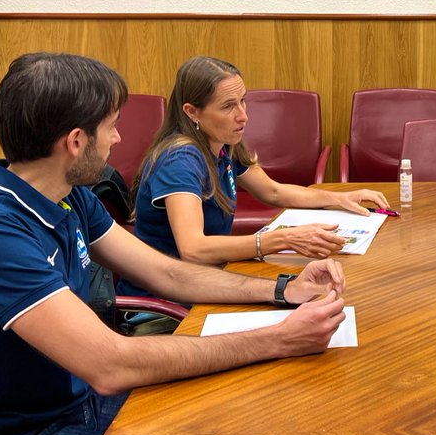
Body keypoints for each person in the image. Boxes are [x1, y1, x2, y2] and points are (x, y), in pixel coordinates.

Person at [0, 53, 347, 435]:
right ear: (76, 142)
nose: (118, 138)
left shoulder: (68, 197)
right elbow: (111, 365)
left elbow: (167, 272)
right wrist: (277, 340)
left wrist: (283, 290)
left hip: (77, 404)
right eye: (112, 126)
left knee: (255, 416)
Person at [123, 56, 387, 290]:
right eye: (228, 106)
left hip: (208, 279)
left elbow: (272, 191)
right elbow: (193, 249)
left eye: (243, 101)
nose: (243, 116)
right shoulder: (179, 160)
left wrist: (340, 198)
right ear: (192, 112)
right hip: (166, 299)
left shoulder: (222, 143)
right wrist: (281, 239)